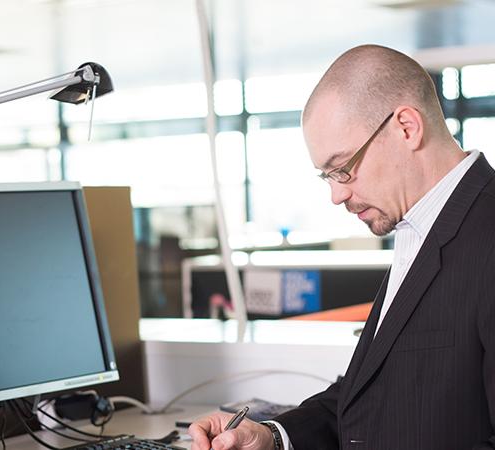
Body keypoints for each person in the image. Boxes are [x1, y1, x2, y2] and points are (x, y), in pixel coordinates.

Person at [189, 44, 495, 449]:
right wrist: (271, 436)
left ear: (407, 127)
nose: (336, 195)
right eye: (327, 176)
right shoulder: (417, 227)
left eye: (344, 168)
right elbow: (371, 395)